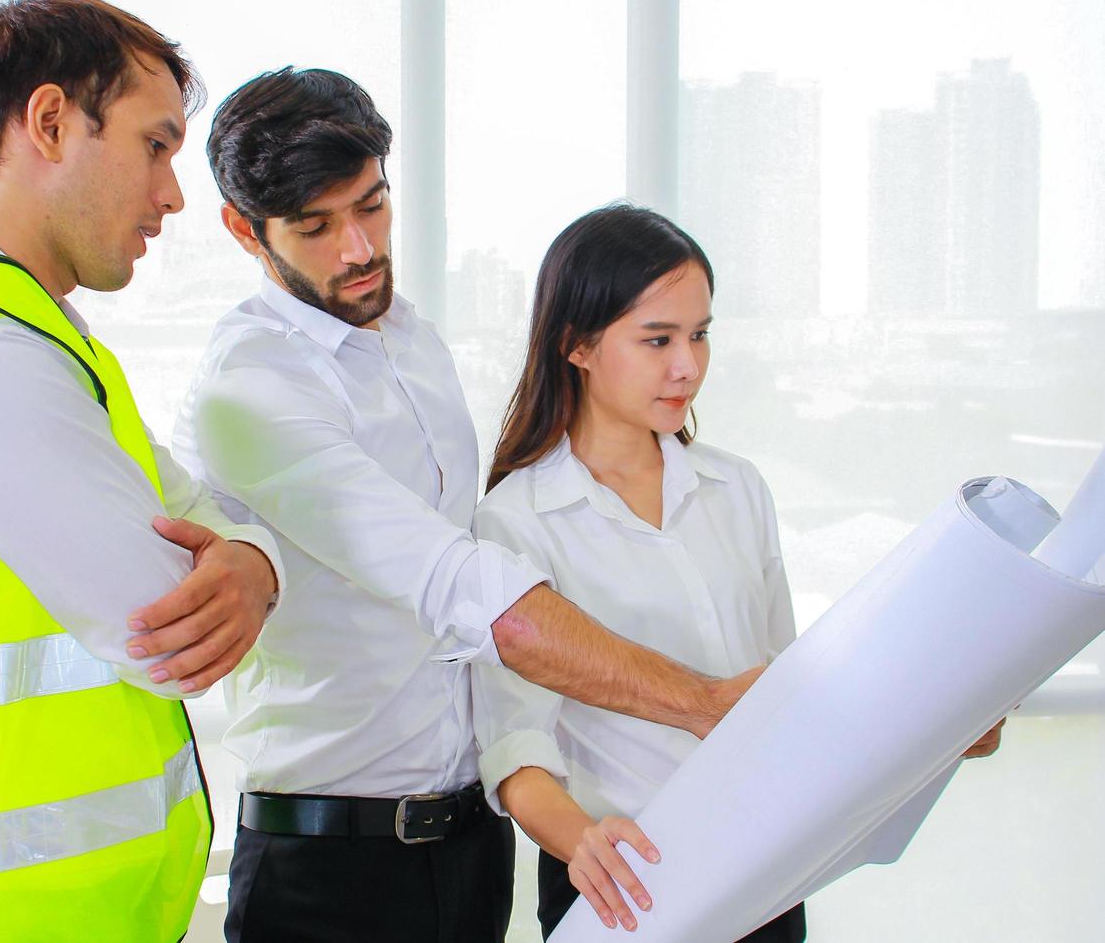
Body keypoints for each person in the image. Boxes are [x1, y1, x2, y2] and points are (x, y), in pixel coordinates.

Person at [167, 68, 761, 943]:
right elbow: (462, 587)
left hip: (467, 847)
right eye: (316, 227)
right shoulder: (251, 388)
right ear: (242, 230)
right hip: (329, 865)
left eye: (371, 206)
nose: (359, 249)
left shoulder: (411, 340)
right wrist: (704, 702)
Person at [0, 0, 283, 942]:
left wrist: (251, 560)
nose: (172, 194)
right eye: (155, 146)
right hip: (0, 918)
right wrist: (240, 561)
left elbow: (201, 507)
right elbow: (168, 633)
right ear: (49, 121)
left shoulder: (28, 333)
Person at [470, 203, 1007, 940]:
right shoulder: (517, 517)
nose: (686, 365)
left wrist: (937, 724)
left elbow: (790, 687)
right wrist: (581, 842)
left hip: (766, 876)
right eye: (656, 339)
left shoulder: (736, 489)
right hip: (625, 886)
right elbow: (513, 747)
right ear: (577, 345)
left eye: (698, 335)